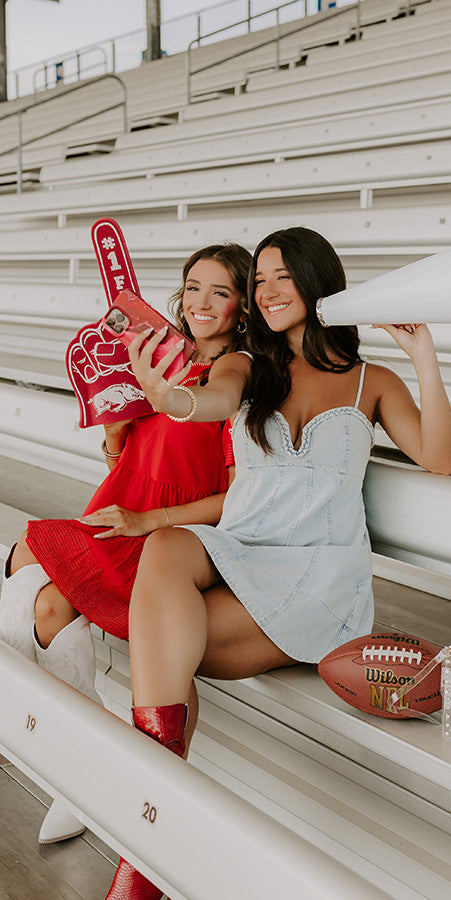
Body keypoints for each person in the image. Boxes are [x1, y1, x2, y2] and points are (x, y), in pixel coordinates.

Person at [104, 226, 451, 899]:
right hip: (241, 552)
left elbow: (439, 458)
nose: (265, 292)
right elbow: (200, 400)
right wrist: (165, 397)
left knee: (157, 638)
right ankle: (152, 806)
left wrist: (423, 357)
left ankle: (144, 823)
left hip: (318, 582)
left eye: (280, 277)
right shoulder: (246, 368)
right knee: (166, 549)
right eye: (259, 280)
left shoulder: (370, 383)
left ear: (316, 280)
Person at [0, 242, 251, 844]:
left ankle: (71, 765)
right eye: (193, 287)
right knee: (48, 604)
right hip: (121, 507)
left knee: (24, 555)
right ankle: (77, 775)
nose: (201, 302)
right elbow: (127, 451)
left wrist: (153, 520)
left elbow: (237, 497)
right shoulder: (159, 352)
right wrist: (113, 427)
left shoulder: (236, 369)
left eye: (219, 291)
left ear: (243, 306)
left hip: (173, 533)